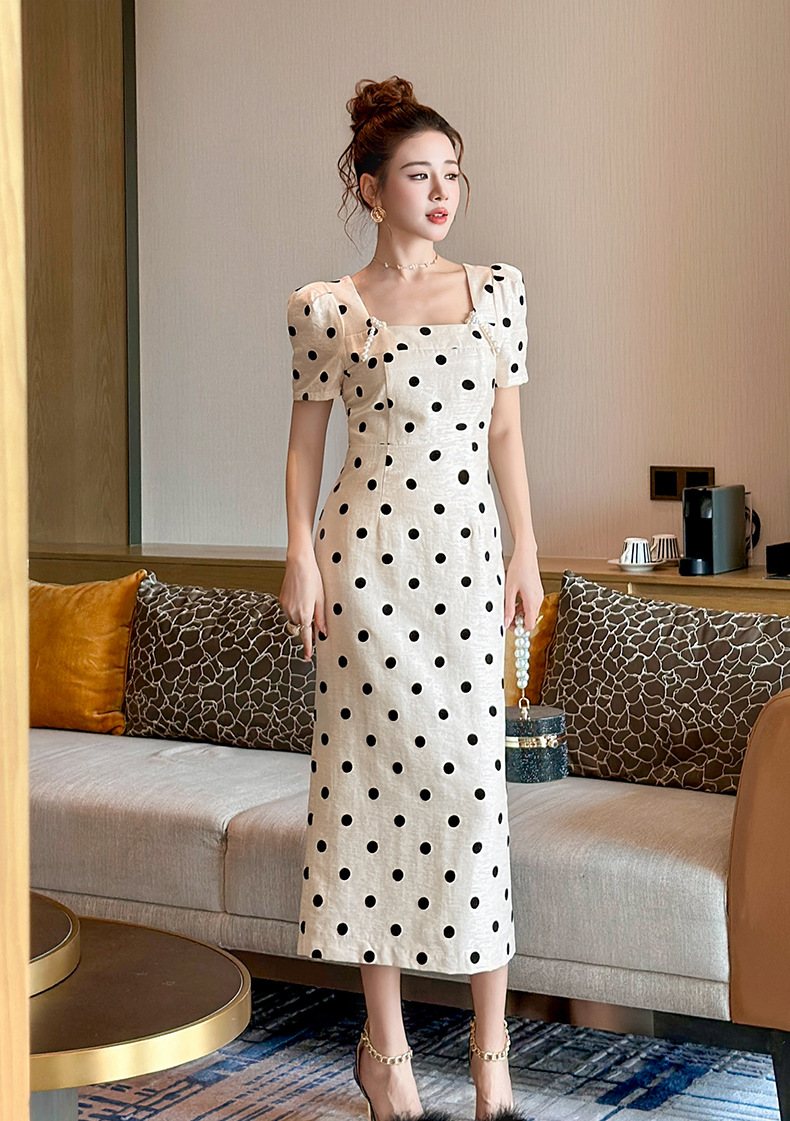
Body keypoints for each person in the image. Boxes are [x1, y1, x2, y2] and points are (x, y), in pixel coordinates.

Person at [280, 75, 543, 1121]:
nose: (442, 194)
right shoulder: (328, 309)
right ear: (371, 186)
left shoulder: (498, 291)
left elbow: (506, 433)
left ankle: (491, 1059)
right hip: (365, 573)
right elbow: (305, 450)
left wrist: (526, 550)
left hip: (466, 569)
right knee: (362, 802)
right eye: (420, 176)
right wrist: (298, 556)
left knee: (473, 802)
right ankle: (385, 1054)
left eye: (453, 176)